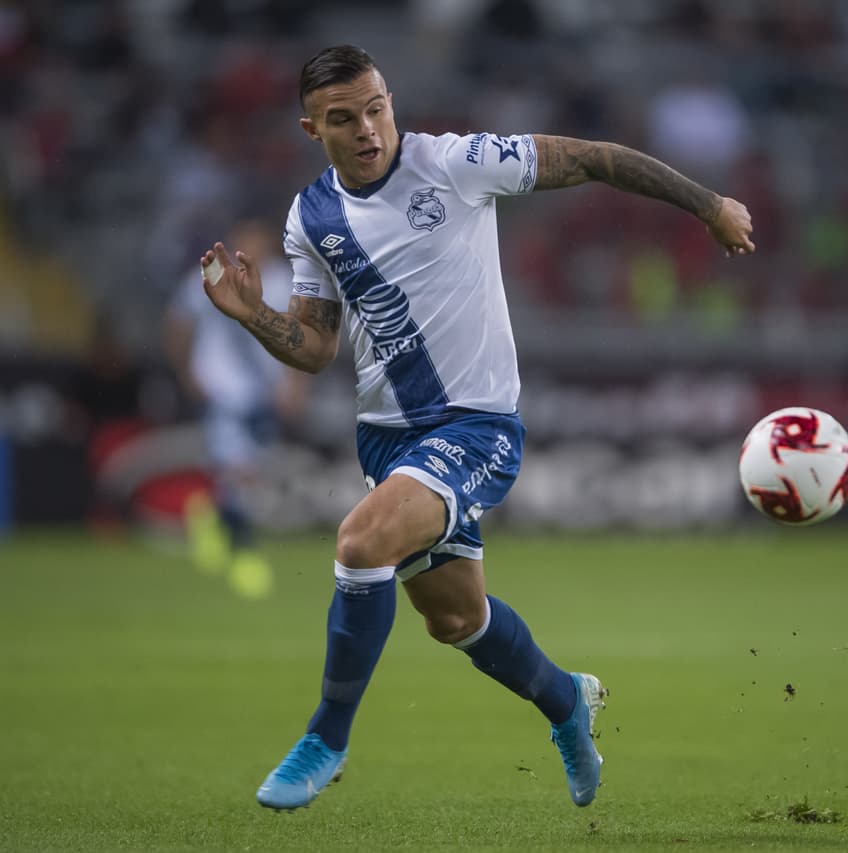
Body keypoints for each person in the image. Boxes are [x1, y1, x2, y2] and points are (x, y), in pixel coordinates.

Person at [198, 44, 754, 812]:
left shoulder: (454, 162)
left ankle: (326, 736)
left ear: (391, 101)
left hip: (476, 424)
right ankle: (566, 700)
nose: (367, 128)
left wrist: (707, 204)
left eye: (376, 107)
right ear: (310, 128)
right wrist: (252, 314)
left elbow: (591, 158)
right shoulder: (311, 218)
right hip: (387, 438)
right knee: (456, 618)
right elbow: (318, 344)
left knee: (361, 543)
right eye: (343, 118)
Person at [168, 216, 307, 599]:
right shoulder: (213, 273)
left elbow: (299, 335)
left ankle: (209, 512)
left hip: (265, 394)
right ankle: (245, 556)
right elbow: (178, 322)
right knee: (238, 470)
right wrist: (187, 373)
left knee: (251, 471)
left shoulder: (282, 279)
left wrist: (294, 384)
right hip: (222, 392)